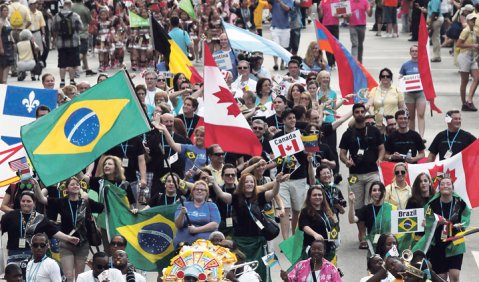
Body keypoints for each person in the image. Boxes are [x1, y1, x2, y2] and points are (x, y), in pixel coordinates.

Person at [34, 176, 104, 281]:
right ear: (66, 189)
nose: (75, 186)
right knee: (69, 277)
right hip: (66, 243)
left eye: (77, 184)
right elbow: (42, 199)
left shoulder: (85, 201)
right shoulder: (61, 202)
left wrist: (87, 198)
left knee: (79, 276)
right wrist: (36, 185)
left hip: (83, 244)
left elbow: (101, 208)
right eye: (72, 184)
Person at [339, 103, 384, 249]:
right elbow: (342, 153)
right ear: (353, 114)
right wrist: (346, 161)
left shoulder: (374, 130)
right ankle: (362, 234)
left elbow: (381, 148)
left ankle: (374, 231)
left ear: (365, 113)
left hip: (372, 173)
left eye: (361, 111)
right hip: (355, 175)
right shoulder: (348, 133)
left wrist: (380, 159)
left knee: (374, 202)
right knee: (358, 206)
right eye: (356, 112)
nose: (359, 113)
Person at [1, 191, 79, 263]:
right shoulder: (10, 216)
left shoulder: (41, 218)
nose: (25, 203)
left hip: (33, 255)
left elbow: (54, 232)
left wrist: (68, 238)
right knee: (15, 278)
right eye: (23, 201)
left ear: (34, 202)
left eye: (28, 201)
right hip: (14, 254)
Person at [421, 177, 470, 282]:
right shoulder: (432, 204)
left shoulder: (460, 202)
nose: (446, 186)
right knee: (441, 278)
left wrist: (462, 225)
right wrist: (433, 223)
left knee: (455, 275)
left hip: (456, 242)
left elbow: (466, 216)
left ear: (452, 188)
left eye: (448, 184)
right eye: (443, 184)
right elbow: (427, 221)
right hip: (438, 243)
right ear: (439, 188)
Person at [348, 181, 396, 252]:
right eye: (374, 190)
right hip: (373, 246)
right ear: (370, 193)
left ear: (384, 192)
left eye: (379, 190)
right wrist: (352, 203)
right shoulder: (366, 209)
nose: (377, 192)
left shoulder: (392, 208)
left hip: (389, 245)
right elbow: (352, 220)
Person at [299, 186, 339, 263]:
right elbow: (304, 226)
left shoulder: (328, 210)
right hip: (313, 249)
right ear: (309, 197)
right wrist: (315, 234)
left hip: (328, 248)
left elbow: (334, 225)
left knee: (327, 273)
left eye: (320, 195)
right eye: (314, 195)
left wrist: (336, 238)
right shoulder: (305, 211)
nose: (317, 197)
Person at [174, 180, 220, 246]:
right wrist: (182, 213)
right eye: (197, 189)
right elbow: (178, 225)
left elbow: (215, 224)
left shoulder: (212, 206)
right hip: (183, 244)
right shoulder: (183, 205)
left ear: (206, 193)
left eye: (202, 189)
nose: (199, 191)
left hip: (205, 244)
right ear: (192, 192)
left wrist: (196, 230)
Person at [51, 0, 82, 87]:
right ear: (70, 5)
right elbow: (81, 27)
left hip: (61, 44)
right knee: (72, 63)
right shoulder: (75, 15)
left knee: (62, 63)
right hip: (73, 43)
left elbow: (53, 28)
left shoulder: (57, 16)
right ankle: (72, 80)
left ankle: (62, 81)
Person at [399, 45, 427, 136]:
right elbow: (400, 77)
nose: (415, 52)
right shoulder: (405, 65)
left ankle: (421, 136)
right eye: (413, 51)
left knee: (421, 114)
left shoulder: (423, 64)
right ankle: (412, 135)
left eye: (416, 51)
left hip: (420, 93)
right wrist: (403, 80)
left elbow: (428, 77)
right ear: (410, 53)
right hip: (409, 94)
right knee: (411, 116)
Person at [367, 68, 406, 132]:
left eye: (388, 76)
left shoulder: (397, 90)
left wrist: (403, 120)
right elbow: (369, 105)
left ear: (391, 78)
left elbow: (402, 107)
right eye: (383, 76)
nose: (385, 78)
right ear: (380, 78)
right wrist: (373, 115)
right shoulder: (375, 90)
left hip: (393, 124)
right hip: (379, 124)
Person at [456, 13, 479, 111]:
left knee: (477, 78)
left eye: (474, 19)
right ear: (468, 21)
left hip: (471, 56)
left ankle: (469, 100)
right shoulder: (465, 31)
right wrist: (472, 46)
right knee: (464, 81)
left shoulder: (474, 31)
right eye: (471, 19)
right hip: (464, 56)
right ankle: (463, 103)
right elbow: (458, 44)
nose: (473, 21)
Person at [269, 0, 293, 70]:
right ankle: (275, 63)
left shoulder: (289, 1)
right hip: (275, 27)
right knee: (275, 46)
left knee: (284, 48)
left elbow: (287, 9)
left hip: (285, 28)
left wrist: (280, 2)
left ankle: (282, 63)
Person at [0, 4, 14, 84]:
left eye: (7, 10)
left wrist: (13, 41)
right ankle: (3, 81)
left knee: (8, 63)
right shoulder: (0, 22)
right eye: (4, 10)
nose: (6, 12)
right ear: (1, 12)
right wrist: (1, 48)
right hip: (3, 44)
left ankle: (4, 80)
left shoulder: (7, 21)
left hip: (9, 44)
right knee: (3, 64)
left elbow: (10, 33)